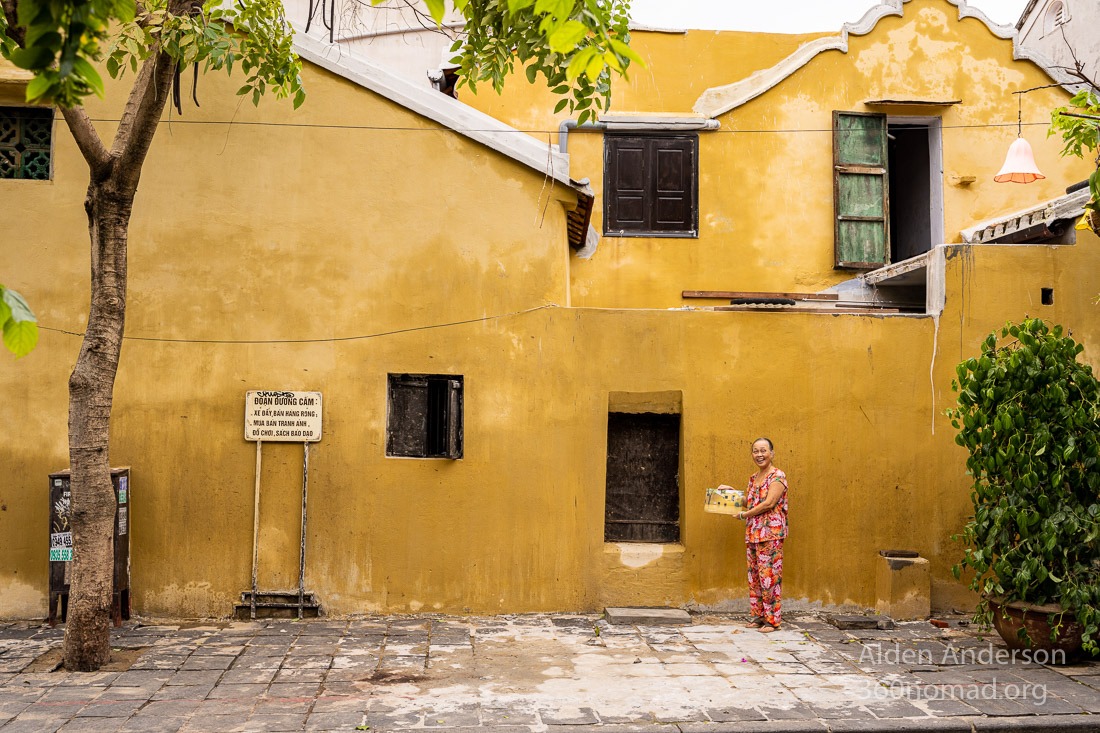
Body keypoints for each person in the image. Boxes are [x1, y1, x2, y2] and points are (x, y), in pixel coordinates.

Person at [717, 437, 788, 633]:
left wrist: (743, 515)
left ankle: (773, 620)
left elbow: (768, 503)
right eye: (755, 451)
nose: (759, 455)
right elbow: (751, 502)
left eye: (763, 450)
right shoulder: (753, 478)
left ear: (772, 453)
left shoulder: (777, 476)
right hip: (753, 533)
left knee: (770, 576)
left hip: (770, 534)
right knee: (755, 576)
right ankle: (758, 616)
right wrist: (731, 493)